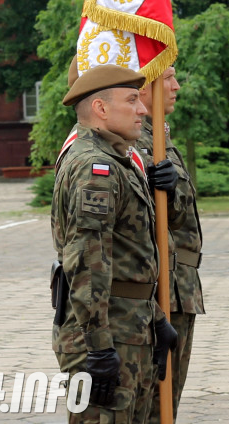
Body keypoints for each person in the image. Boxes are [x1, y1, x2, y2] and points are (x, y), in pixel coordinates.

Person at [51, 64, 177, 424]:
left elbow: (128, 256)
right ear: (101, 109)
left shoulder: (116, 162)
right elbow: (88, 262)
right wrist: (99, 348)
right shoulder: (95, 168)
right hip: (107, 335)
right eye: (132, 100)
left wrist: (154, 317)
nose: (142, 109)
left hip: (130, 327)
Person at [137, 66, 205, 423]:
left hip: (180, 286)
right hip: (163, 287)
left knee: (166, 402)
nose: (175, 86)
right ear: (143, 85)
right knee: (154, 404)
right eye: (167, 79)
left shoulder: (158, 135)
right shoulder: (137, 143)